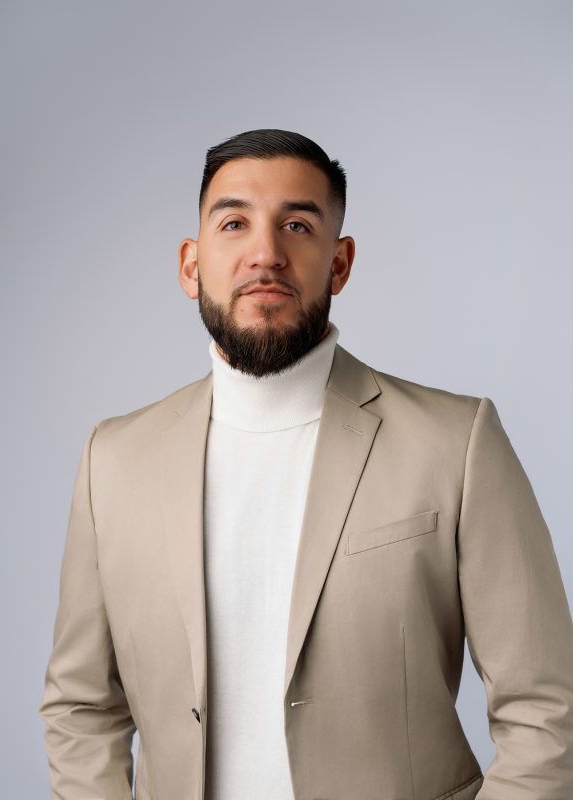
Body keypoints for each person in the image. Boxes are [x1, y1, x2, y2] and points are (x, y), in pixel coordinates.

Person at [39, 128, 573, 800]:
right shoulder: (112, 461)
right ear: (191, 264)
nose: (266, 253)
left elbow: (548, 712)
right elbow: (81, 706)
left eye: (296, 224)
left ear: (340, 263)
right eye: (234, 223)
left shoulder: (457, 442)